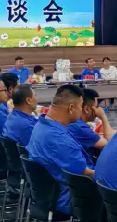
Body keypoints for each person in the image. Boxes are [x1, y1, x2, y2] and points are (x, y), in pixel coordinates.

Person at [27, 84, 94, 213]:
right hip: (68, 198)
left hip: (46, 194)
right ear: (71, 108)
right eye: (80, 107)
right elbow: (83, 173)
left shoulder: (41, 125)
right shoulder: (59, 139)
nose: (81, 111)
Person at [68, 88, 115, 167]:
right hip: (88, 169)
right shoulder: (79, 127)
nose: (99, 110)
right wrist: (103, 117)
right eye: (96, 107)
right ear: (87, 109)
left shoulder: (74, 123)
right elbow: (108, 142)